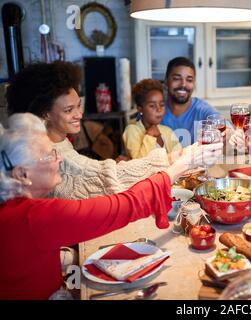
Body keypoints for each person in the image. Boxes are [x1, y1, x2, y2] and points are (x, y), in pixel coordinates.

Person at [0, 113, 223, 299]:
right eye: (49, 156)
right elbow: (125, 206)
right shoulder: (34, 216)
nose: (59, 160)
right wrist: (181, 165)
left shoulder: (16, 209)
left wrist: (70, 259)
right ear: (22, 174)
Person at [6, 61, 177, 200]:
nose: (79, 115)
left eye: (79, 106)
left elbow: (90, 172)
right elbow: (98, 177)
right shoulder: (48, 153)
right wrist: (169, 159)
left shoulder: (60, 141)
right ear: (45, 113)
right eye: (68, 110)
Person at [161, 57, 220, 145]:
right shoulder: (155, 109)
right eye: (176, 78)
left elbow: (221, 126)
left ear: (194, 83)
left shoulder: (203, 111)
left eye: (189, 80)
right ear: (166, 81)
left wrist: (228, 134)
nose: (183, 84)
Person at [123, 79, 182, 159]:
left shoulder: (167, 131)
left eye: (161, 104)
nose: (159, 109)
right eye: (152, 105)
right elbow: (138, 163)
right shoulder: (132, 130)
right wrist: (150, 136)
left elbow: (180, 157)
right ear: (140, 109)